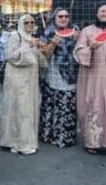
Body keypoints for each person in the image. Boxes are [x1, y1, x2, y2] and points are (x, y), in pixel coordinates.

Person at [74, 2, 106, 157]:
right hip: (93, 74)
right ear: (96, 13)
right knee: (94, 106)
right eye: (102, 11)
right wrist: (91, 48)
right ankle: (93, 142)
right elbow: (78, 52)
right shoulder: (87, 31)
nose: (105, 13)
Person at [0, 15, 47, 155]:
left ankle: (22, 141)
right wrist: (28, 46)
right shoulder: (15, 36)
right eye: (26, 22)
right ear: (21, 23)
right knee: (19, 109)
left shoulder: (33, 37)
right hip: (16, 80)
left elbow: (38, 59)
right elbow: (10, 56)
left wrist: (44, 50)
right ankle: (19, 143)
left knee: (27, 109)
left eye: (32, 22)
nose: (30, 24)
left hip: (30, 79)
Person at [39, 8, 79, 148]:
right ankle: (50, 134)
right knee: (53, 102)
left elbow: (81, 49)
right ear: (55, 18)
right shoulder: (48, 31)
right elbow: (43, 54)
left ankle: (65, 136)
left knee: (68, 103)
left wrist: (78, 39)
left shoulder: (75, 30)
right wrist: (53, 44)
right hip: (54, 71)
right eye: (60, 16)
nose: (63, 19)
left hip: (71, 72)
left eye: (66, 16)